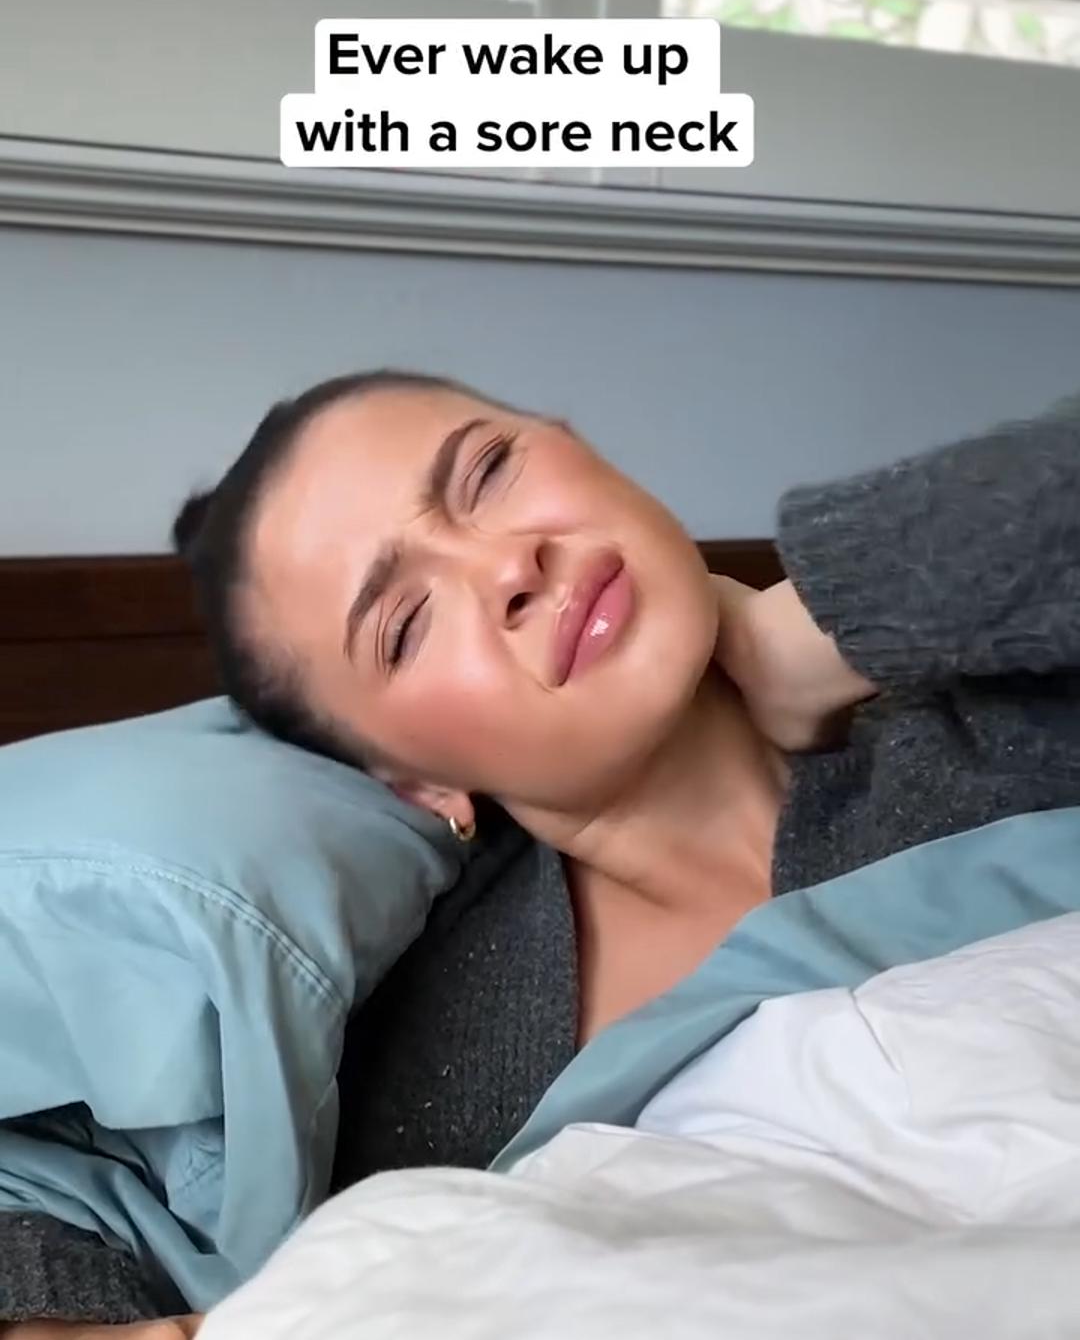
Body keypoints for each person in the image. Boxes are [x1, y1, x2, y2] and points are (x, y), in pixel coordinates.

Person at [3, 370, 1079, 1337]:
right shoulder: (414, 1052)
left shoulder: (1010, 715)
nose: (511, 564)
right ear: (411, 782)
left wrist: (825, 622)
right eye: (405, 623)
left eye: (488, 472)